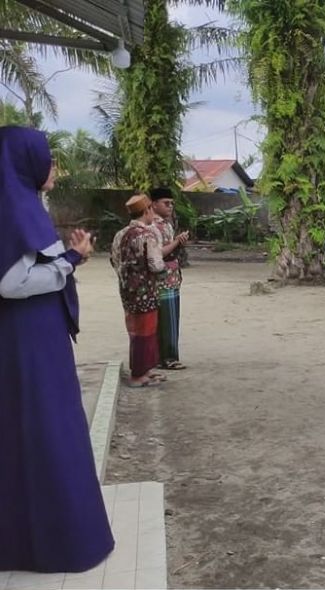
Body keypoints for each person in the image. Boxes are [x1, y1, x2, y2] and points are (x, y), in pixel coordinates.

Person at [0, 125, 115, 573]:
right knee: (48, 429)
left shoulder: (21, 204)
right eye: (48, 159)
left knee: (45, 428)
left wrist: (68, 258)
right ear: (27, 162)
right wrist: (71, 262)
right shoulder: (14, 207)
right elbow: (11, 283)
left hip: (34, 336)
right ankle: (62, 539)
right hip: (30, 342)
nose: (53, 168)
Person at [111, 194, 167, 388]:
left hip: (127, 289)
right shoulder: (146, 235)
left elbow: (114, 260)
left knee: (135, 330)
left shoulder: (121, 234)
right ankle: (139, 375)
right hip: (145, 289)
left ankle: (146, 369)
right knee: (146, 331)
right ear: (147, 211)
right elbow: (155, 264)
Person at [149, 188, 190, 370]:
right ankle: (168, 358)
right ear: (154, 204)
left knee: (169, 317)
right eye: (166, 203)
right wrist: (176, 242)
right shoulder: (152, 226)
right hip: (161, 278)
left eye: (172, 203)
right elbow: (158, 253)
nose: (170, 207)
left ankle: (164, 357)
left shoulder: (167, 224)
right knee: (166, 318)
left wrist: (178, 243)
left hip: (171, 277)